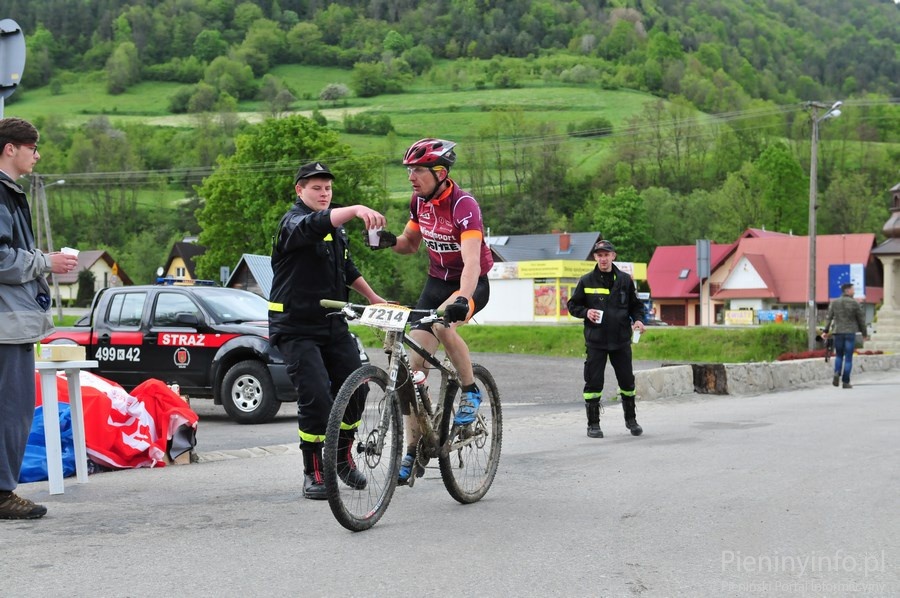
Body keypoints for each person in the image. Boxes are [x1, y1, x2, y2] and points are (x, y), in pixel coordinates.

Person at [370, 138, 493, 484]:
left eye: (418, 171)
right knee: (411, 370)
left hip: (470, 282)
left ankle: (470, 390)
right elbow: (410, 244)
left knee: (441, 324)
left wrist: (463, 298)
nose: (411, 177)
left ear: (440, 173)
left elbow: (471, 262)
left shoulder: (463, 205)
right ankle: (413, 449)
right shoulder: (419, 202)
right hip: (436, 282)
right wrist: (388, 242)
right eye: (409, 171)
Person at [268, 161, 386, 500]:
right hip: (296, 327)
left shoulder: (336, 228)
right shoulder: (293, 223)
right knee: (317, 395)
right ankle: (314, 470)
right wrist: (356, 209)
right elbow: (315, 224)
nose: (324, 193)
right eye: (316, 188)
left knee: (358, 386)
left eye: (328, 188)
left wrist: (375, 299)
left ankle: (341, 456)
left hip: (332, 323)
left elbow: (347, 268)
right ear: (300, 190)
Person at [0, 117, 78, 519]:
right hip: (6, 323)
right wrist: (45, 262)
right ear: (10, 148)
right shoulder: (1, 193)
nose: (38, 155)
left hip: (10, 320)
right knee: (12, 409)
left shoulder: (9, 193)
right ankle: (2, 495)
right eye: (32, 148)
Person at [566, 239, 646, 439]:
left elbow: (636, 306)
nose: (603, 259)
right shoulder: (586, 281)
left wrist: (638, 320)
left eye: (606, 255)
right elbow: (573, 306)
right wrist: (586, 312)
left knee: (627, 382)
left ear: (613, 256)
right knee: (593, 384)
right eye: (599, 255)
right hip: (596, 341)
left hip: (621, 340)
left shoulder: (625, 280)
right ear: (595, 257)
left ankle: (631, 421)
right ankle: (593, 425)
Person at [823, 282, 867, 389]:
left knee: (839, 355)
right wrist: (864, 334)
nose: (854, 291)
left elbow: (829, 317)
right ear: (847, 291)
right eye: (853, 289)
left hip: (837, 332)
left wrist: (825, 331)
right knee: (848, 357)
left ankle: (837, 372)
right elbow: (861, 320)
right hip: (850, 333)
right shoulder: (855, 303)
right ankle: (846, 382)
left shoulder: (834, 302)